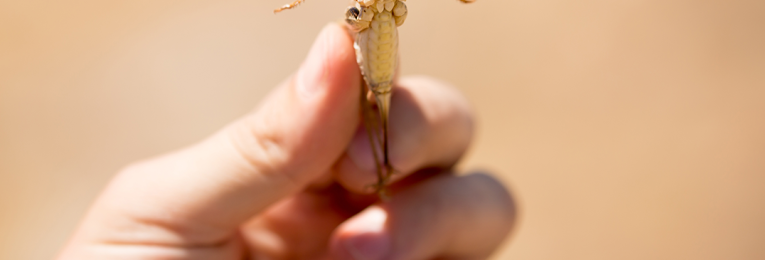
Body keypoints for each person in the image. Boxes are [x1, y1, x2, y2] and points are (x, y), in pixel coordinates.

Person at [57, 24, 516, 260]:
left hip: (383, 77)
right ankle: (379, 174)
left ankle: (381, 177)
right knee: (380, 147)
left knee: (387, 137)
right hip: (367, 59)